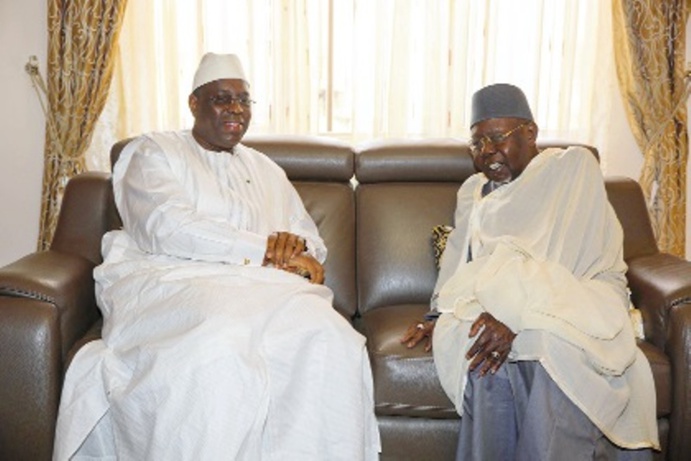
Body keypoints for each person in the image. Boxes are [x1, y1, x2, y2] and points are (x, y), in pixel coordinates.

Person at [53, 53, 380, 460]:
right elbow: (165, 227)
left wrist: (294, 251)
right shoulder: (153, 151)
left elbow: (309, 241)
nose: (235, 110)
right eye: (222, 99)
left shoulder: (266, 170)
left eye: (244, 101)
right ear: (194, 103)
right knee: (221, 345)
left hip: (265, 287)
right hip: (171, 279)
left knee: (331, 336)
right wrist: (262, 249)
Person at [401, 83, 659, 460]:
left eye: (496, 138)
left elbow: (568, 263)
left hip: (578, 297)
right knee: (482, 355)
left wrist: (515, 315)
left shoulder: (572, 168)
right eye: (476, 143)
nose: (486, 152)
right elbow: (461, 264)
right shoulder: (473, 191)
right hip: (499, 302)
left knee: (547, 345)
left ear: (530, 133)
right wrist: (439, 315)